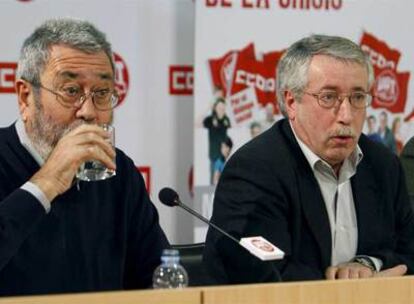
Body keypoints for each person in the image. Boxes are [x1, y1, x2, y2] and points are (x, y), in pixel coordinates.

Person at [204, 34, 414, 284]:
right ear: (291, 102)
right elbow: (263, 272)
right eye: (328, 97)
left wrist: (368, 265)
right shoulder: (255, 170)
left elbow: (408, 250)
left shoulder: (382, 165)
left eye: (357, 97)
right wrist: (350, 291)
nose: (346, 115)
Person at [0, 18, 169, 296]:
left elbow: (157, 276)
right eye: (71, 91)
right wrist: (46, 182)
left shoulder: (120, 171)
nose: (89, 112)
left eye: (102, 93)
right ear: (25, 97)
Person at [203, 97, 231, 184]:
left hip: (224, 156)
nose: (221, 110)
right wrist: (208, 108)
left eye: (223, 108)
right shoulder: (210, 119)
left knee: (224, 180)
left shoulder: (226, 120)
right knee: (213, 181)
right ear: (215, 108)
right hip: (214, 155)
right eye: (219, 108)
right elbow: (198, 123)